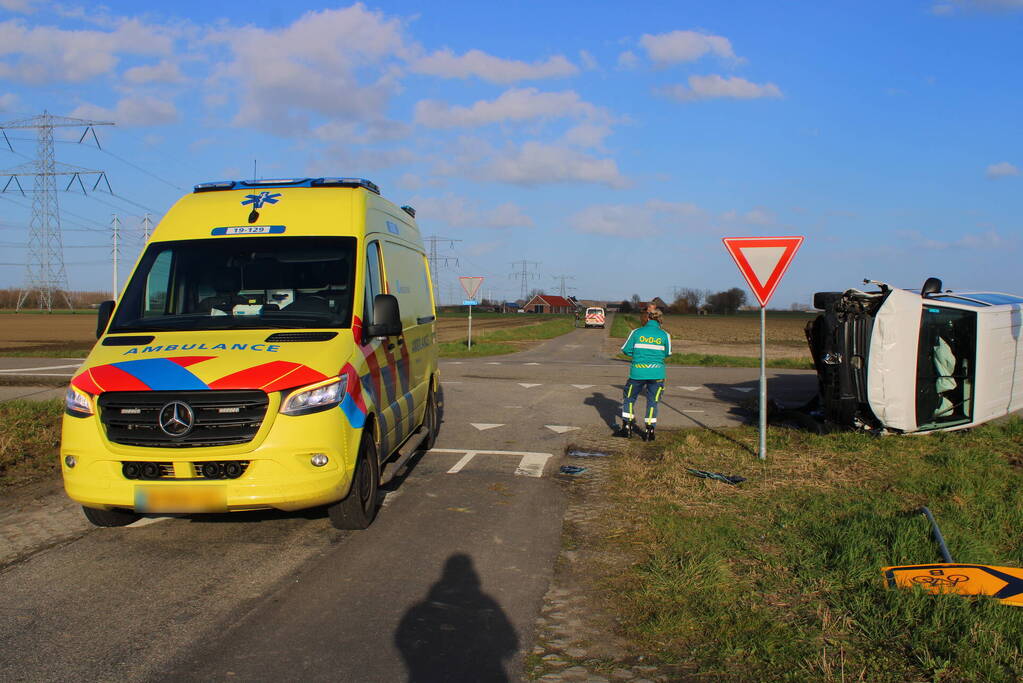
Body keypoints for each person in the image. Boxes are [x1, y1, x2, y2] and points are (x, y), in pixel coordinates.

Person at [616, 306, 671, 440]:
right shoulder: (665, 335)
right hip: (657, 374)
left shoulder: (636, 332)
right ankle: (649, 432)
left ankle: (627, 428)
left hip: (637, 373)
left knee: (629, 399)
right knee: (653, 401)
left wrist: (638, 355)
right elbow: (667, 353)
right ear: (660, 320)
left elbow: (625, 350)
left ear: (648, 318)